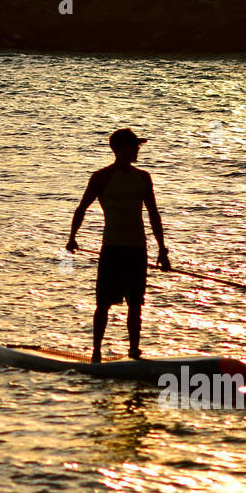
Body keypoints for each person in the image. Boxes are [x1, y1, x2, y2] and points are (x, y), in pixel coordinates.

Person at [66, 129, 170, 363]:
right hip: (112, 248)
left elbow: (154, 214)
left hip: (137, 249)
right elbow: (82, 208)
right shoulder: (101, 177)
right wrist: (72, 238)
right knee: (103, 304)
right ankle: (96, 352)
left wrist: (162, 250)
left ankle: (134, 351)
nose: (137, 150)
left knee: (136, 304)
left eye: (137, 146)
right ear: (119, 149)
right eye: (133, 146)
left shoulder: (143, 177)